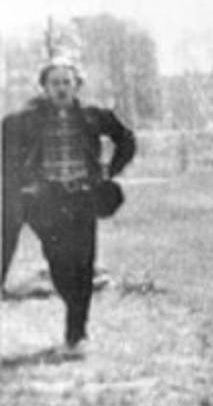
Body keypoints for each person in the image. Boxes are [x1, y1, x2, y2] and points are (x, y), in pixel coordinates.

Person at [1, 58, 136, 352]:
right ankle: (73, 310)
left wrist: (109, 171)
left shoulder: (92, 117)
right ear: (45, 88)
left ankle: (77, 334)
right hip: (47, 200)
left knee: (84, 264)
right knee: (59, 264)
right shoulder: (27, 119)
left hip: (82, 197)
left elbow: (126, 139)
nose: (61, 88)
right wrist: (23, 180)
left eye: (67, 82)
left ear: (76, 86)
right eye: (55, 83)